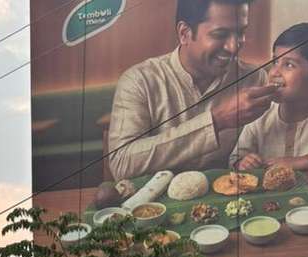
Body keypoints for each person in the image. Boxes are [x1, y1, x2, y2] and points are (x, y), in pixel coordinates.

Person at [108, 0, 274, 181]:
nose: (234, 47)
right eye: (220, 34)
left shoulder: (255, 79)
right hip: (156, 205)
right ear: (184, 33)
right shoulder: (140, 81)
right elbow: (121, 163)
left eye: (241, 32)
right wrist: (216, 120)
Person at [232, 22, 308, 173]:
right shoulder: (260, 113)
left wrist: (305, 161)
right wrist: (242, 162)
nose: (274, 72)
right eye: (275, 61)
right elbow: (236, 156)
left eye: (288, 65)